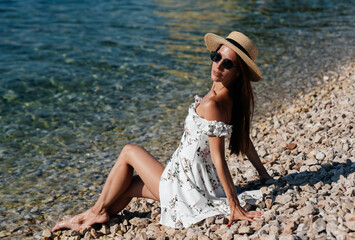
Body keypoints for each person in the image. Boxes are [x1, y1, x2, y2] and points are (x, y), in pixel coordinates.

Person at [52, 31, 271, 232]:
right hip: (191, 178)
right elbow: (245, 140)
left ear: (238, 73)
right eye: (216, 57)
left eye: (228, 63)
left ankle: (94, 213)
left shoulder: (212, 104)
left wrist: (234, 205)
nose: (218, 66)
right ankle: (93, 218)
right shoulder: (229, 97)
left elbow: (218, 158)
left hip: (185, 185)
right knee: (127, 186)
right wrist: (263, 174)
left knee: (129, 151)